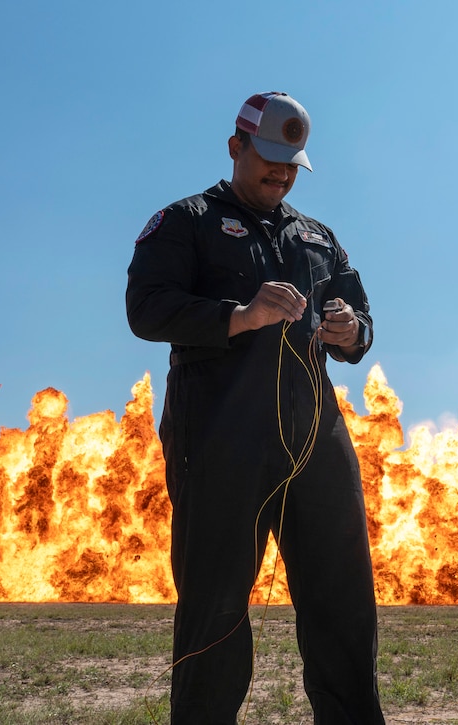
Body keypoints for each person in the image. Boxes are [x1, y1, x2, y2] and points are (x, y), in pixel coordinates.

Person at [126, 91, 386, 724]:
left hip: (314, 439)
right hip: (219, 440)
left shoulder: (317, 237)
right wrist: (240, 316)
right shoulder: (186, 220)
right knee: (214, 610)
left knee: (344, 603)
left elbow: (365, 325)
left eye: (291, 164)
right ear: (236, 145)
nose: (280, 173)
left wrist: (352, 333)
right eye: (269, 159)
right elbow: (146, 310)